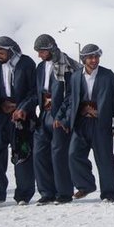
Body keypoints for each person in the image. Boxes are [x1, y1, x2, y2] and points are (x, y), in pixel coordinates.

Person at [55, 44, 114, 202]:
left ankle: (110, 193)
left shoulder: (107, 75)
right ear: (83, 59)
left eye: (96, 57)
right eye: (90, 57)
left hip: (101, 123)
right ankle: (85, 185)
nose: (94, 60)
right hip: (81, 123)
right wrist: (61, 117)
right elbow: (70, 100)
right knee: (73, 154)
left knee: (104, 158)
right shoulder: (76, 76)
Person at [0, 36, 37, 205]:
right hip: (1, 117)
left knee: (22, 153)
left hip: (23, 117)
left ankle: (24, 195)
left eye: (1, 52)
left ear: (11, 51)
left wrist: (22, 108)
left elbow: (34, 91)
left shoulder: (26, 64)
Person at [31, 34, 79, 205]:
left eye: (42, 51)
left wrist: (64, 118)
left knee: (58, 154)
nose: (40, 55)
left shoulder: (66, 66)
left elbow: (72, 95)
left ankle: (64, 193)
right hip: (44, 114)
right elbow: (36, 93)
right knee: (38, 153)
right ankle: (46, 192)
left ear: (51, 48)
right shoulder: (40, 67)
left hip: (59, 115)